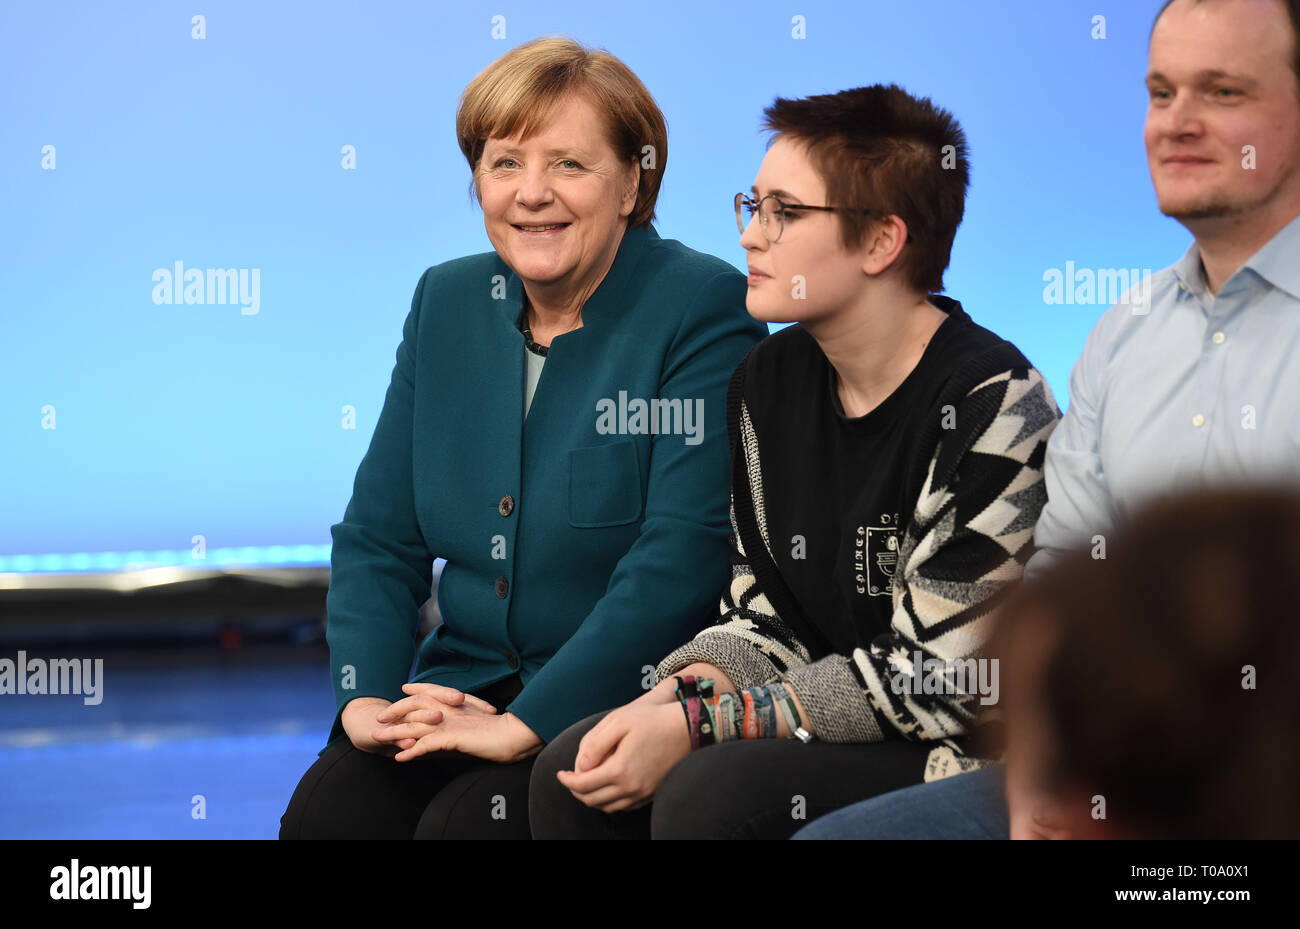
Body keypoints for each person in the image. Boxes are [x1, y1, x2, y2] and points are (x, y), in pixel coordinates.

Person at [793, 0, 1300, 840]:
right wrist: (1041, 766)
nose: (1177, 123)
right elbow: (1061, 578)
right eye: (1160, 92)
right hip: (1107, 769)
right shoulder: (1121, 336)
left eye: (1222, 92)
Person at [528, 84, 1061, 839]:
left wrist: (705, 727)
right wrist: (670, 700)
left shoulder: (995, 403)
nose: (751, 235)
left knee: (710, 793)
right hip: (815, 716)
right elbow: (761, 615)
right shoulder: (765, 381)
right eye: (753, 204)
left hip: (951, 748)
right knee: (572, 770)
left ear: (881, 241)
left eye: (785, 212)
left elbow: (941, 680)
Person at [279, 37, 766, 839]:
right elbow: (377, 537)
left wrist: (522, 723)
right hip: (457, 684)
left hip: (616, 702)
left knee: (467, 827)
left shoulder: (702, 303)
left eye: (569, 165)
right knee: (333, 811)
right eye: (505, 163)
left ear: (633, 181)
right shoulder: (445, 299)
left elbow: (681, 554)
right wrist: (364, 696)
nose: (532, 193)